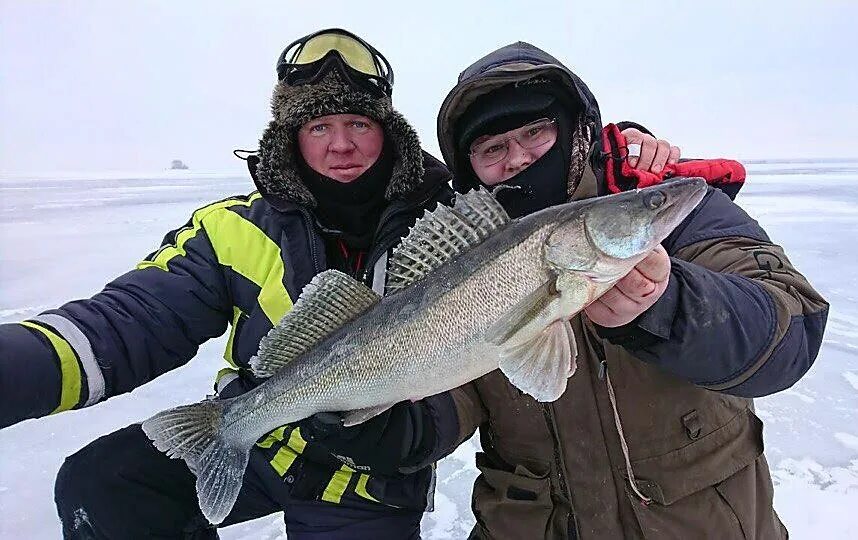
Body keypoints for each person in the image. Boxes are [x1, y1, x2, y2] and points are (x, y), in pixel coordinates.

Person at [0, 30, 671, 538]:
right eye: (319, 125)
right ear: (290, 139)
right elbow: (127, 323)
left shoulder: (463, 209)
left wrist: (630, 155)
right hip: (268, 435)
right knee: (103, 484)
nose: (341, 143)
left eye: (358, 123)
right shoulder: (236, 228)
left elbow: (544, 175)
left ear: (389, 133)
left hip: (373, 473)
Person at [305, 42, 829, 539]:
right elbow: (450, 404)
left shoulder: (675, 217)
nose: (517, 160)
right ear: (470, 169)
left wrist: (673, 305)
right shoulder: (461, 257)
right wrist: (382, 429)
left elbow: (791, 336)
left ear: (578, 132)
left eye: (537, 133)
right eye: (492, 148)